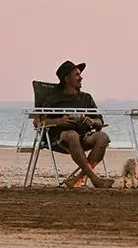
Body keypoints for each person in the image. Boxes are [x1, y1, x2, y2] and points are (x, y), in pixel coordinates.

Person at [37, 60, 114, 188]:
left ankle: (76, 180)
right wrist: (58, 121)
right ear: (67, 79)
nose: (81, 77)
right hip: (60, 138)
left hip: (83, 136)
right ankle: (95, 180)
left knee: (103, 137)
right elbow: (38, 122)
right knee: (72, 135)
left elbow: (100, 121)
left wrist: (92, 121)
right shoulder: (53, 99)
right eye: (77, 75)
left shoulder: (86, 98)